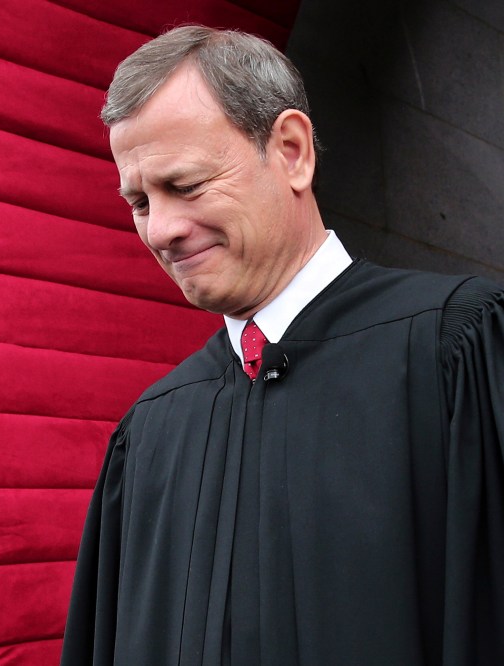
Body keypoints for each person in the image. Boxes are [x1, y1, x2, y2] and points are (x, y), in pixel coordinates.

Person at [61, 25, 504, 666]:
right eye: (138, 202)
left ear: (292, 152)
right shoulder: (150, 431)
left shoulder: (458, 350)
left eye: (184, 186)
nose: (160, 230)